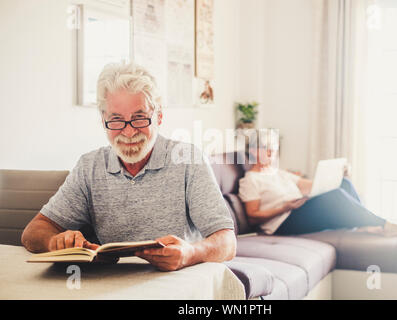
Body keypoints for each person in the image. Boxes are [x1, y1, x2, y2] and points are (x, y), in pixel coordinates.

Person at [21, 62, 236, 271]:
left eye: (140, 118)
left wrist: (189, 254)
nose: (129, 132)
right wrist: (55, 242)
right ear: (103, 119)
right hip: (111, 285)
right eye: (116, 120)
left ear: (159, 117)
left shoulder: (188, 160)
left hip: (178, 283)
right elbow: (33, 232)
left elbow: (227, 243)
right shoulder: (89, 167)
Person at [238, 129, 397, 237]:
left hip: (297, 210)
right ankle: (386, 225)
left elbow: (311, 185)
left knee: (344, 185)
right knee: (335, 197)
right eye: (268, 150)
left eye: (274, 150)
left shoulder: (280, 174)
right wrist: (284, 207)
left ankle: (365, 224)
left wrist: (337, 176)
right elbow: (253, 216)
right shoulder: (250, 180)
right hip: (283, 223)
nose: (273, 154)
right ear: (254, 151)